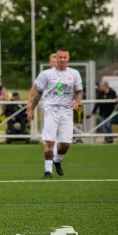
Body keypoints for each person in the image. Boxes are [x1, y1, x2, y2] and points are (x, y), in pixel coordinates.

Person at [27, 49, 83, 178]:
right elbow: (38, 93)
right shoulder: (46, 74)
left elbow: (79, 91)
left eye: (65, 57)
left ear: (68, 58)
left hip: (67, 111)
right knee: (49, 142)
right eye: (60, 57)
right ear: (56, 59)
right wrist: (31, 109)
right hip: (51, 110)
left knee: (65, 144)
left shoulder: (74, 73)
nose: (62, 60)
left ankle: (57, 160)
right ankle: (48, 171)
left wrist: (77, 102)